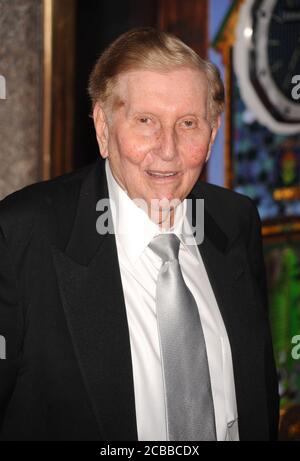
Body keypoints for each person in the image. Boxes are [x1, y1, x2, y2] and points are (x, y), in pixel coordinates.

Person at [0, 27, 279, 441]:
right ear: (102, 127)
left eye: (188, 123)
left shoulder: (235, 220)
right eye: (146, 121)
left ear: (214, 131)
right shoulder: (22, 235)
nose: (167, 150)